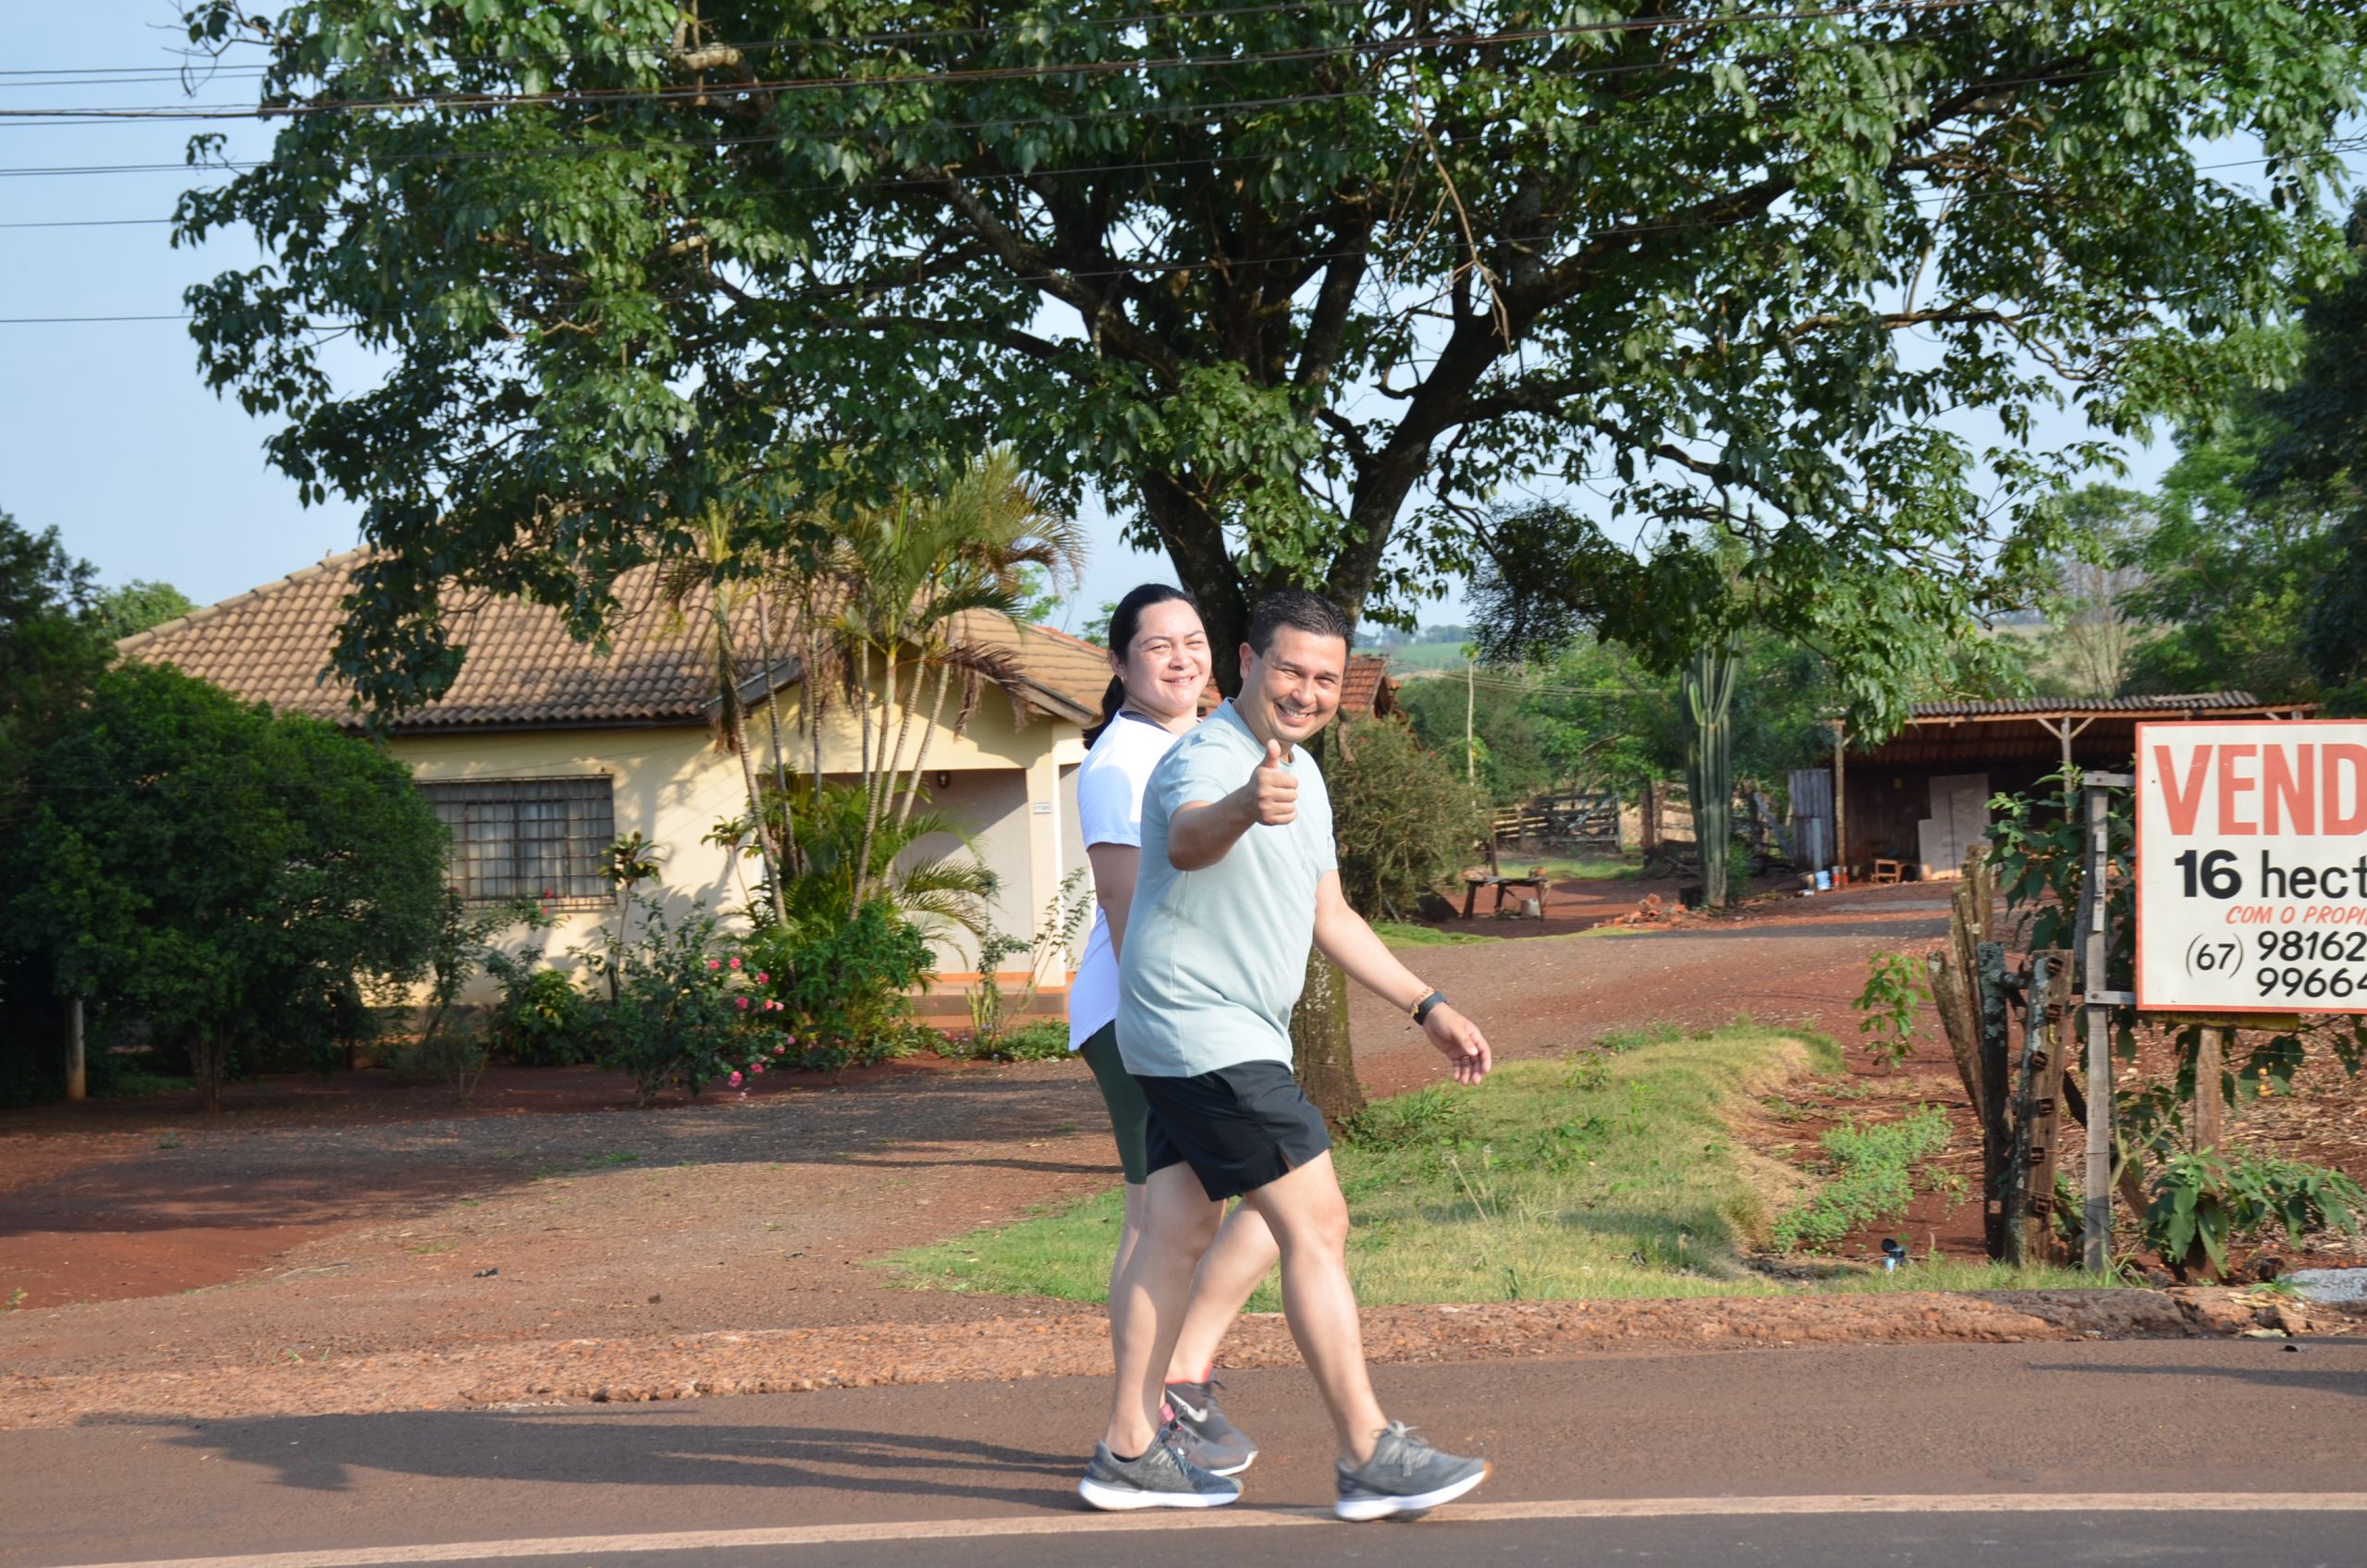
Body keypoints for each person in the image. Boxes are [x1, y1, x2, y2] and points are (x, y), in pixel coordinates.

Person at [1079, 589, 1495, 1521]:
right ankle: (1366, 1452)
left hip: (1200, 1034)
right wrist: (1240, 804)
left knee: (1177, 1229)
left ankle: (1127, 1451)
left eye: (1323, 677)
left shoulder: (1303, 778)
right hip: (1202, 1031)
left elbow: (1329, 914)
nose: (1305, 691)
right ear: (1247, 662)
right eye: (1289, 671)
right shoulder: (1203, 757)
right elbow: (1184, 840)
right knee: (1316, 1223)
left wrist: (1426, 1004)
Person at [1068, 584, 1281, 1500]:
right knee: (1251, 1201)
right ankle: (1156, 1408)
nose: (1181, 658)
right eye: (1158, 646)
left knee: (1168, 1218)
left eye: (1194, 641)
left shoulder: (1185, 747)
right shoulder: (1125, 762)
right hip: (1146, 1014)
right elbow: (1122, 907)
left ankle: (1152, 1409)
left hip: (1184, 1009)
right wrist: (1172, 1024)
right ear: (1119, 665)